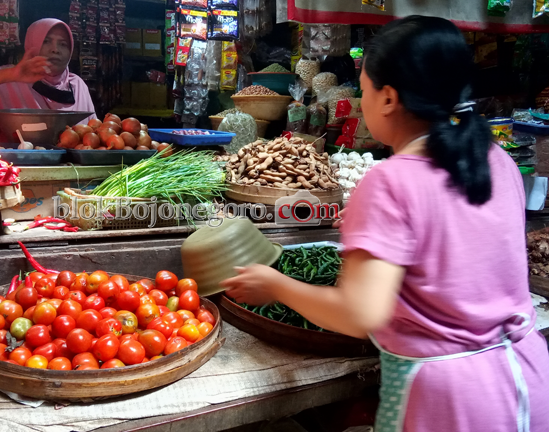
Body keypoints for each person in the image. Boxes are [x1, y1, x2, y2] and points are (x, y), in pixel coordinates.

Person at [221, 16, 549, 432]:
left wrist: (276, 286)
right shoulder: (495, 160)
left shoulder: (391, 181)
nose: (362, 99)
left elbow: (360, 315)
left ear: (389, 98)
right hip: (529, 378)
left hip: (454, 402)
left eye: (365, 88)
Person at [0, 18, 97, 141]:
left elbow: (94, 131)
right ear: (32, 44)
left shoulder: (77, 85)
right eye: (46, 41)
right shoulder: (8, 78)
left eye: (63, 44)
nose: (55, 49)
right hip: (18, 169)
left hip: (74, 172)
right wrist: (11, 74)